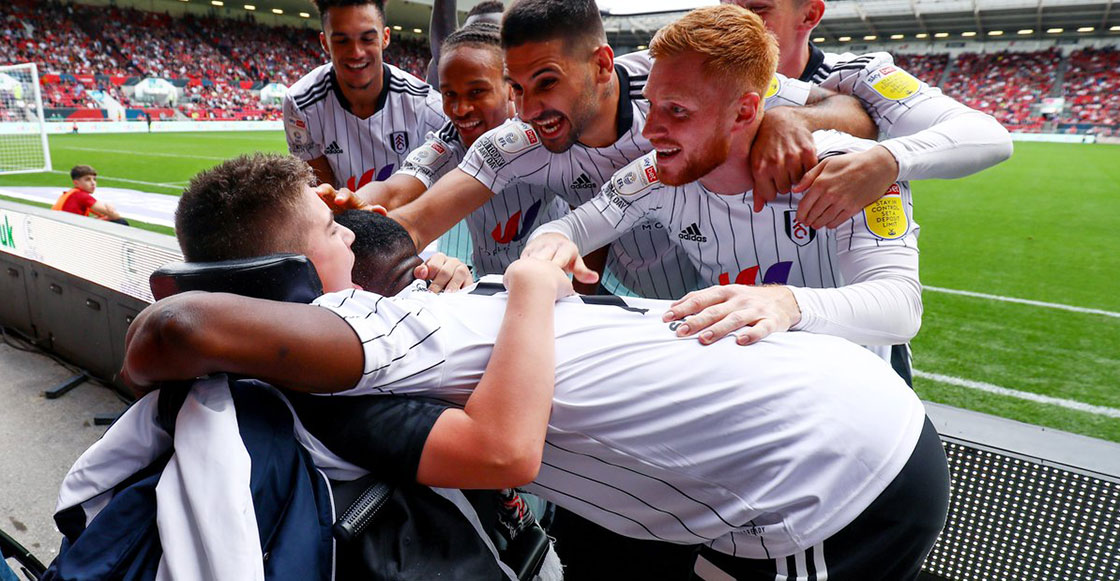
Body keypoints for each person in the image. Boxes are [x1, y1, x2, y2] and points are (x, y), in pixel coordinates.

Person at [124, 152, 950, 580]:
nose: (350, 222)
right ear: (293, 281)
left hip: (832, 465)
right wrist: (524, 282)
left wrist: (489, 286)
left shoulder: (384, 321)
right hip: (816, 465)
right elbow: (174, 325)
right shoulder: (344, 338)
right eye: (329, 226)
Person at [324, 0, 877, 299]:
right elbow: (417, 220)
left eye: (546, 82)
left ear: (603, 65)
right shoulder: (516, 141)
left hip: (760, 297)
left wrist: (788, 118)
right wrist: (341, 229)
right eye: (515, 87)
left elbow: (855, 113)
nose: (528, 107)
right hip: (641, 307)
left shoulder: (672, 89)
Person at [524, 4, 919, 378]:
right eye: (652, 105)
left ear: (745, 111)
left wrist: (786, 302)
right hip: (746, 385)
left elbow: (901, 306)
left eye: (677, 110)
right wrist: (550, 245)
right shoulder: (655, 172)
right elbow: (569, 228)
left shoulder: (848, 168)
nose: (649, 131)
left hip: (857, 396)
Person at [720, 0, 1013, 228]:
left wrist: (886, 160)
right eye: (727, 7)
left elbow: (989, 136)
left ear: (810, 15)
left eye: (758, 8)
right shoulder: (704, 84)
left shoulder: (857, 75)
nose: (737, 22)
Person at [335, 22, 570, 277]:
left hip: (555, 286)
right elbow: (394, 189)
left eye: (476, 92)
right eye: (449, 94)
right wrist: (353, 201)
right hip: (487, 286)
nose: (460, 109)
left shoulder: (544, 134)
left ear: (511, 89)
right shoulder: (451, 139)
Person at [283, 0, 446, 190]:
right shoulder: (300, 103)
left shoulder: (425, 105)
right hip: (344, 216)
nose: (356, 52)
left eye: (367, 39)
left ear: (385, 38)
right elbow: (325, 191)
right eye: (342, 41)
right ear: (325, 43)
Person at [52, 165, 129, 225]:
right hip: (68, 233)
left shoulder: (71, 193)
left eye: (94, 179)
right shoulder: (82, 196)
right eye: (87, 179)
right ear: (76, 183)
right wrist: (109, 205)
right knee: (120, 222)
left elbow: (102, 214)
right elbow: (115, 216)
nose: (93, 183)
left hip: (59, 228)